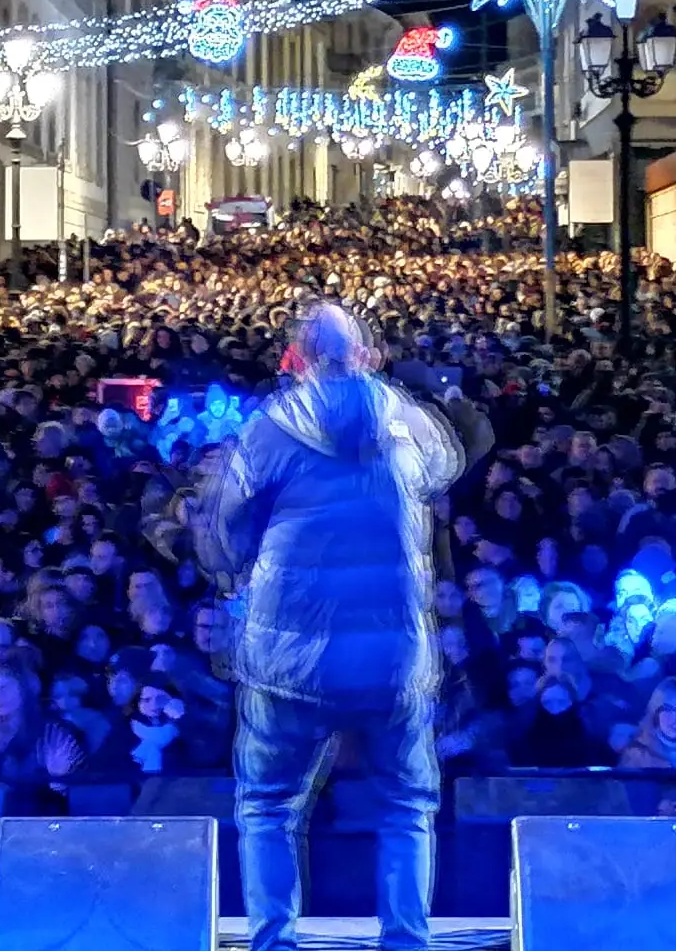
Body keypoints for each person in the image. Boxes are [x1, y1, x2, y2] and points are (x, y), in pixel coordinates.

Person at [194, 301, 462, 951]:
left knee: (268, 807)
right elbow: (444, 469)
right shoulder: (404, 416)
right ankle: (405, 940)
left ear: (299, 358)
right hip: (390, 661)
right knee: (405, 808)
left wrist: (235, 572)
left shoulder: (271, 426)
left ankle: (274, 942)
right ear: (363, 353)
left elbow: (223, 526)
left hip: (289, 661)